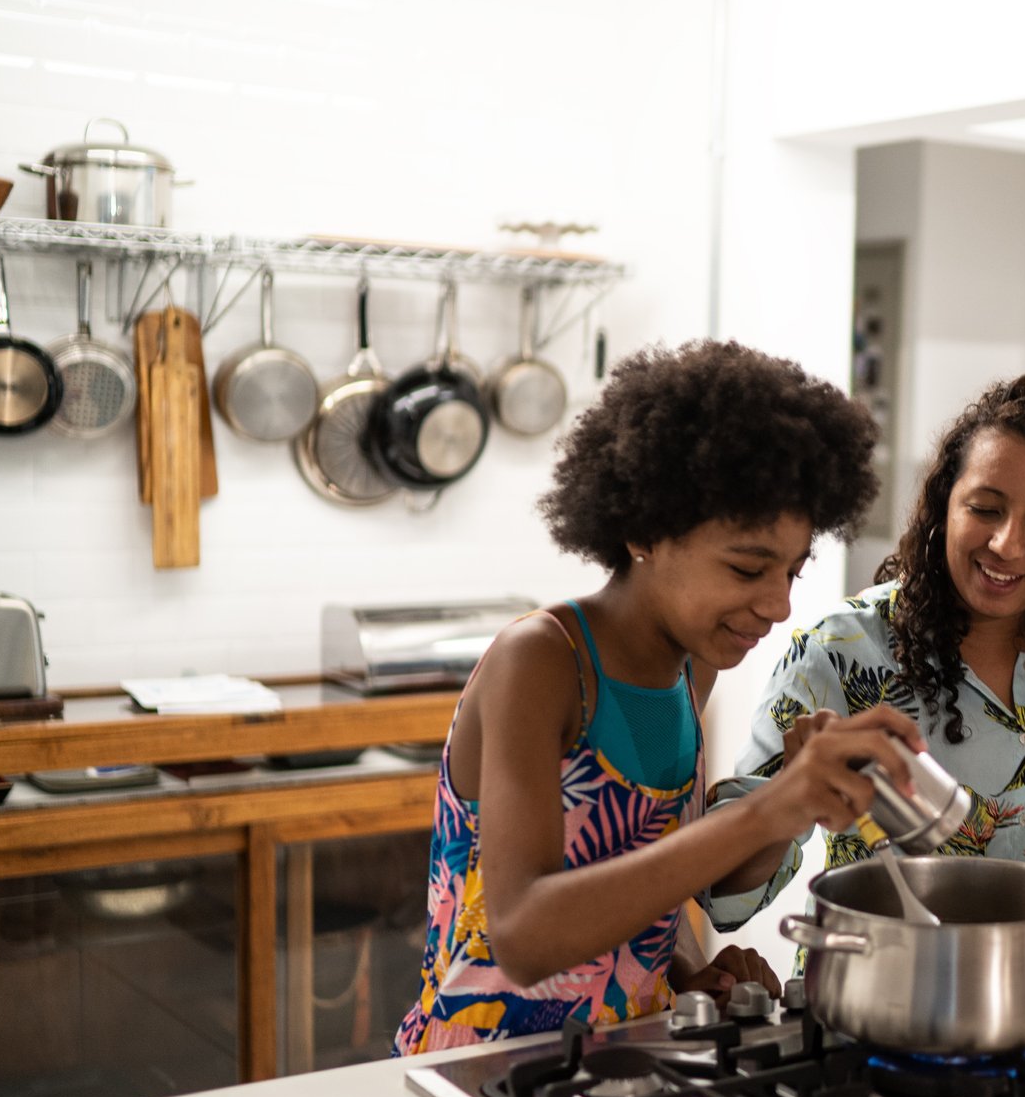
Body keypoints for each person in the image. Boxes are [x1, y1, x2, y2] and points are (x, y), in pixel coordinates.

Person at [393, 341, 924, 1055]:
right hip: (481, 1073)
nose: (775, 604)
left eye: (793, 572)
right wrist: (768, 807)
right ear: (644, 529)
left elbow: (651, 885)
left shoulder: (687, 670)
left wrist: (690, 967)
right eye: (747, 567)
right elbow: (523, 936)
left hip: (623, 1065)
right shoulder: (543, 662)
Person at [715, 375, 1025, 942]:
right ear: (943, 509)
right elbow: (723, 898)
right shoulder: (841, 654)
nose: (1007, 544)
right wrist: (792, 793)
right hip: (886, 1001)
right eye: (985, 508)